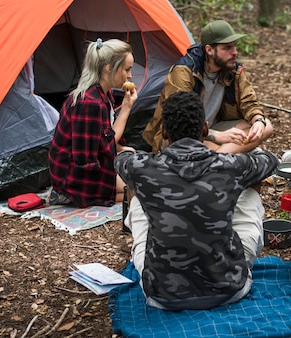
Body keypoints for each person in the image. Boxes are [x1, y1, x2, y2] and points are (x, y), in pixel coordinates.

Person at [116, 91, 279, 310]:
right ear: (204, 128)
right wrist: (215, 140)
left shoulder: (142, 169)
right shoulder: (230, 166)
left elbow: (121, 158)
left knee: (137, 199)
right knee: (249, 194)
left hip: (162, 295)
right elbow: (269, 160)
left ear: (164, 131)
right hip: (229, 289)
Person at [142, 19, 273, 154]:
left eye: (234, 46)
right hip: (182, 134)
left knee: (266, 126)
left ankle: (220, 156)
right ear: (209, 50)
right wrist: (216, 136)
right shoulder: (184, 71)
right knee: (207, 145)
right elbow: (179, 121)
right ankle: (225, 155)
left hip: (213, 126)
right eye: (227, 48)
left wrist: (258, 120)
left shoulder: (232, 69)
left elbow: (249, 102)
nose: (234, 52)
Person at [48, 38, 137, 208]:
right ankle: (63, 195)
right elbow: (90, 156)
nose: (130, 76)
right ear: (109, 68)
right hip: (75, 175)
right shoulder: (89, 103)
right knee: (136, 189)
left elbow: (103, 137)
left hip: (87, 166)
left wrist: (121, 149)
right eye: (127, 69)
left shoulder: (104, 94)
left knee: (135, 180)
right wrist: (126, 108)